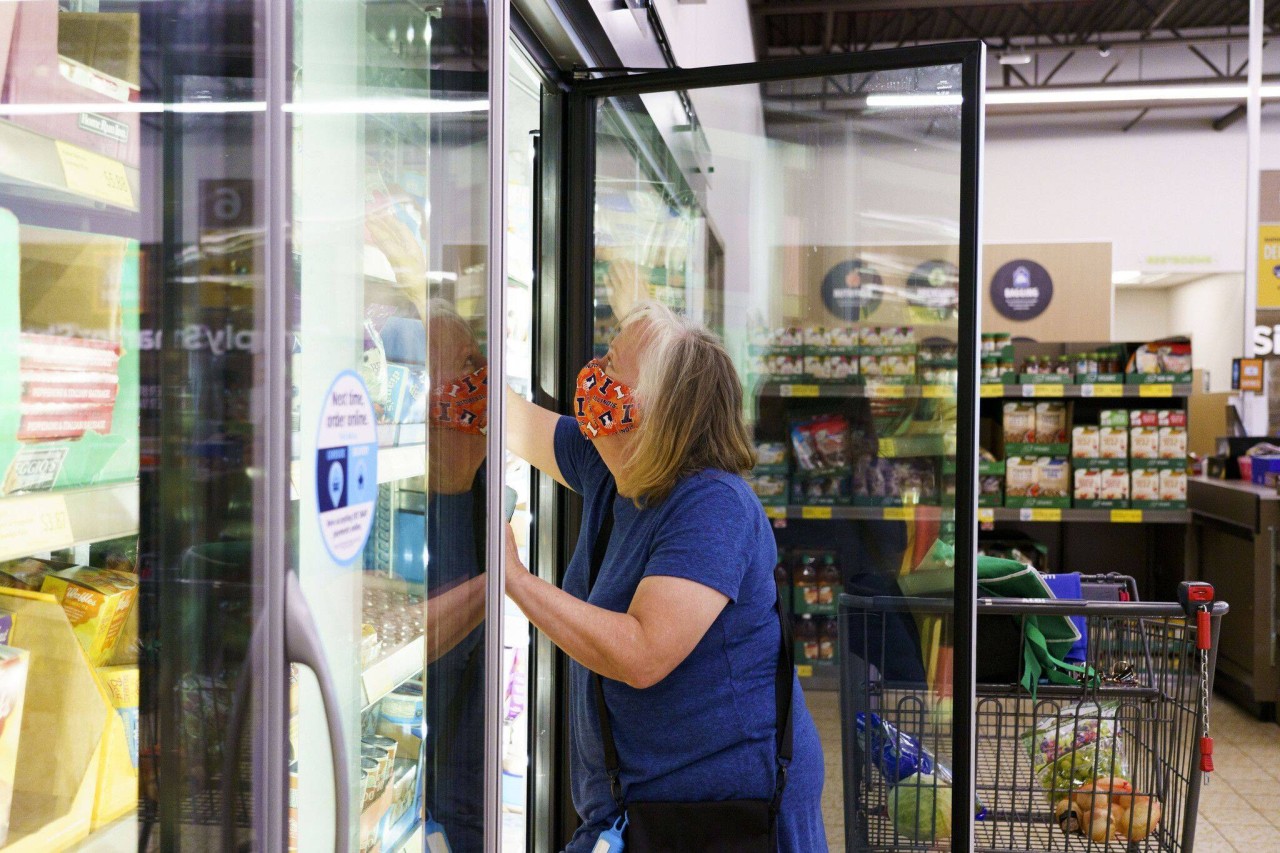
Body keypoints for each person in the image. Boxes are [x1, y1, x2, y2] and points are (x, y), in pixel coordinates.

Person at [504, 301, 828, 852]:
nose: (592, 377)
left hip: (725, 819)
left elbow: (642, 653)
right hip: (639, 810)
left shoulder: (713, 506)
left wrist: (514, 580)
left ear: (660, 410)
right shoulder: (612, 470)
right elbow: (509, 420)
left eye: (611, 368)